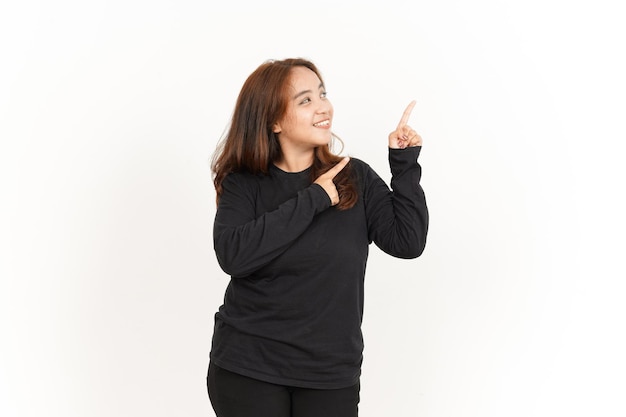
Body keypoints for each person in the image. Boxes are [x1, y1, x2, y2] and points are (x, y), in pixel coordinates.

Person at [207, 57, 428, 417]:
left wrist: (404, 164)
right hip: (249, 367)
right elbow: (233, 255)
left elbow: (408, 241)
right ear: (274, 120)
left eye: (322, 94)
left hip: (330, 373)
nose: (323, 106)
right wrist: (314, 198)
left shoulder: (352, 176)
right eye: (305, 100)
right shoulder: (244, 183)